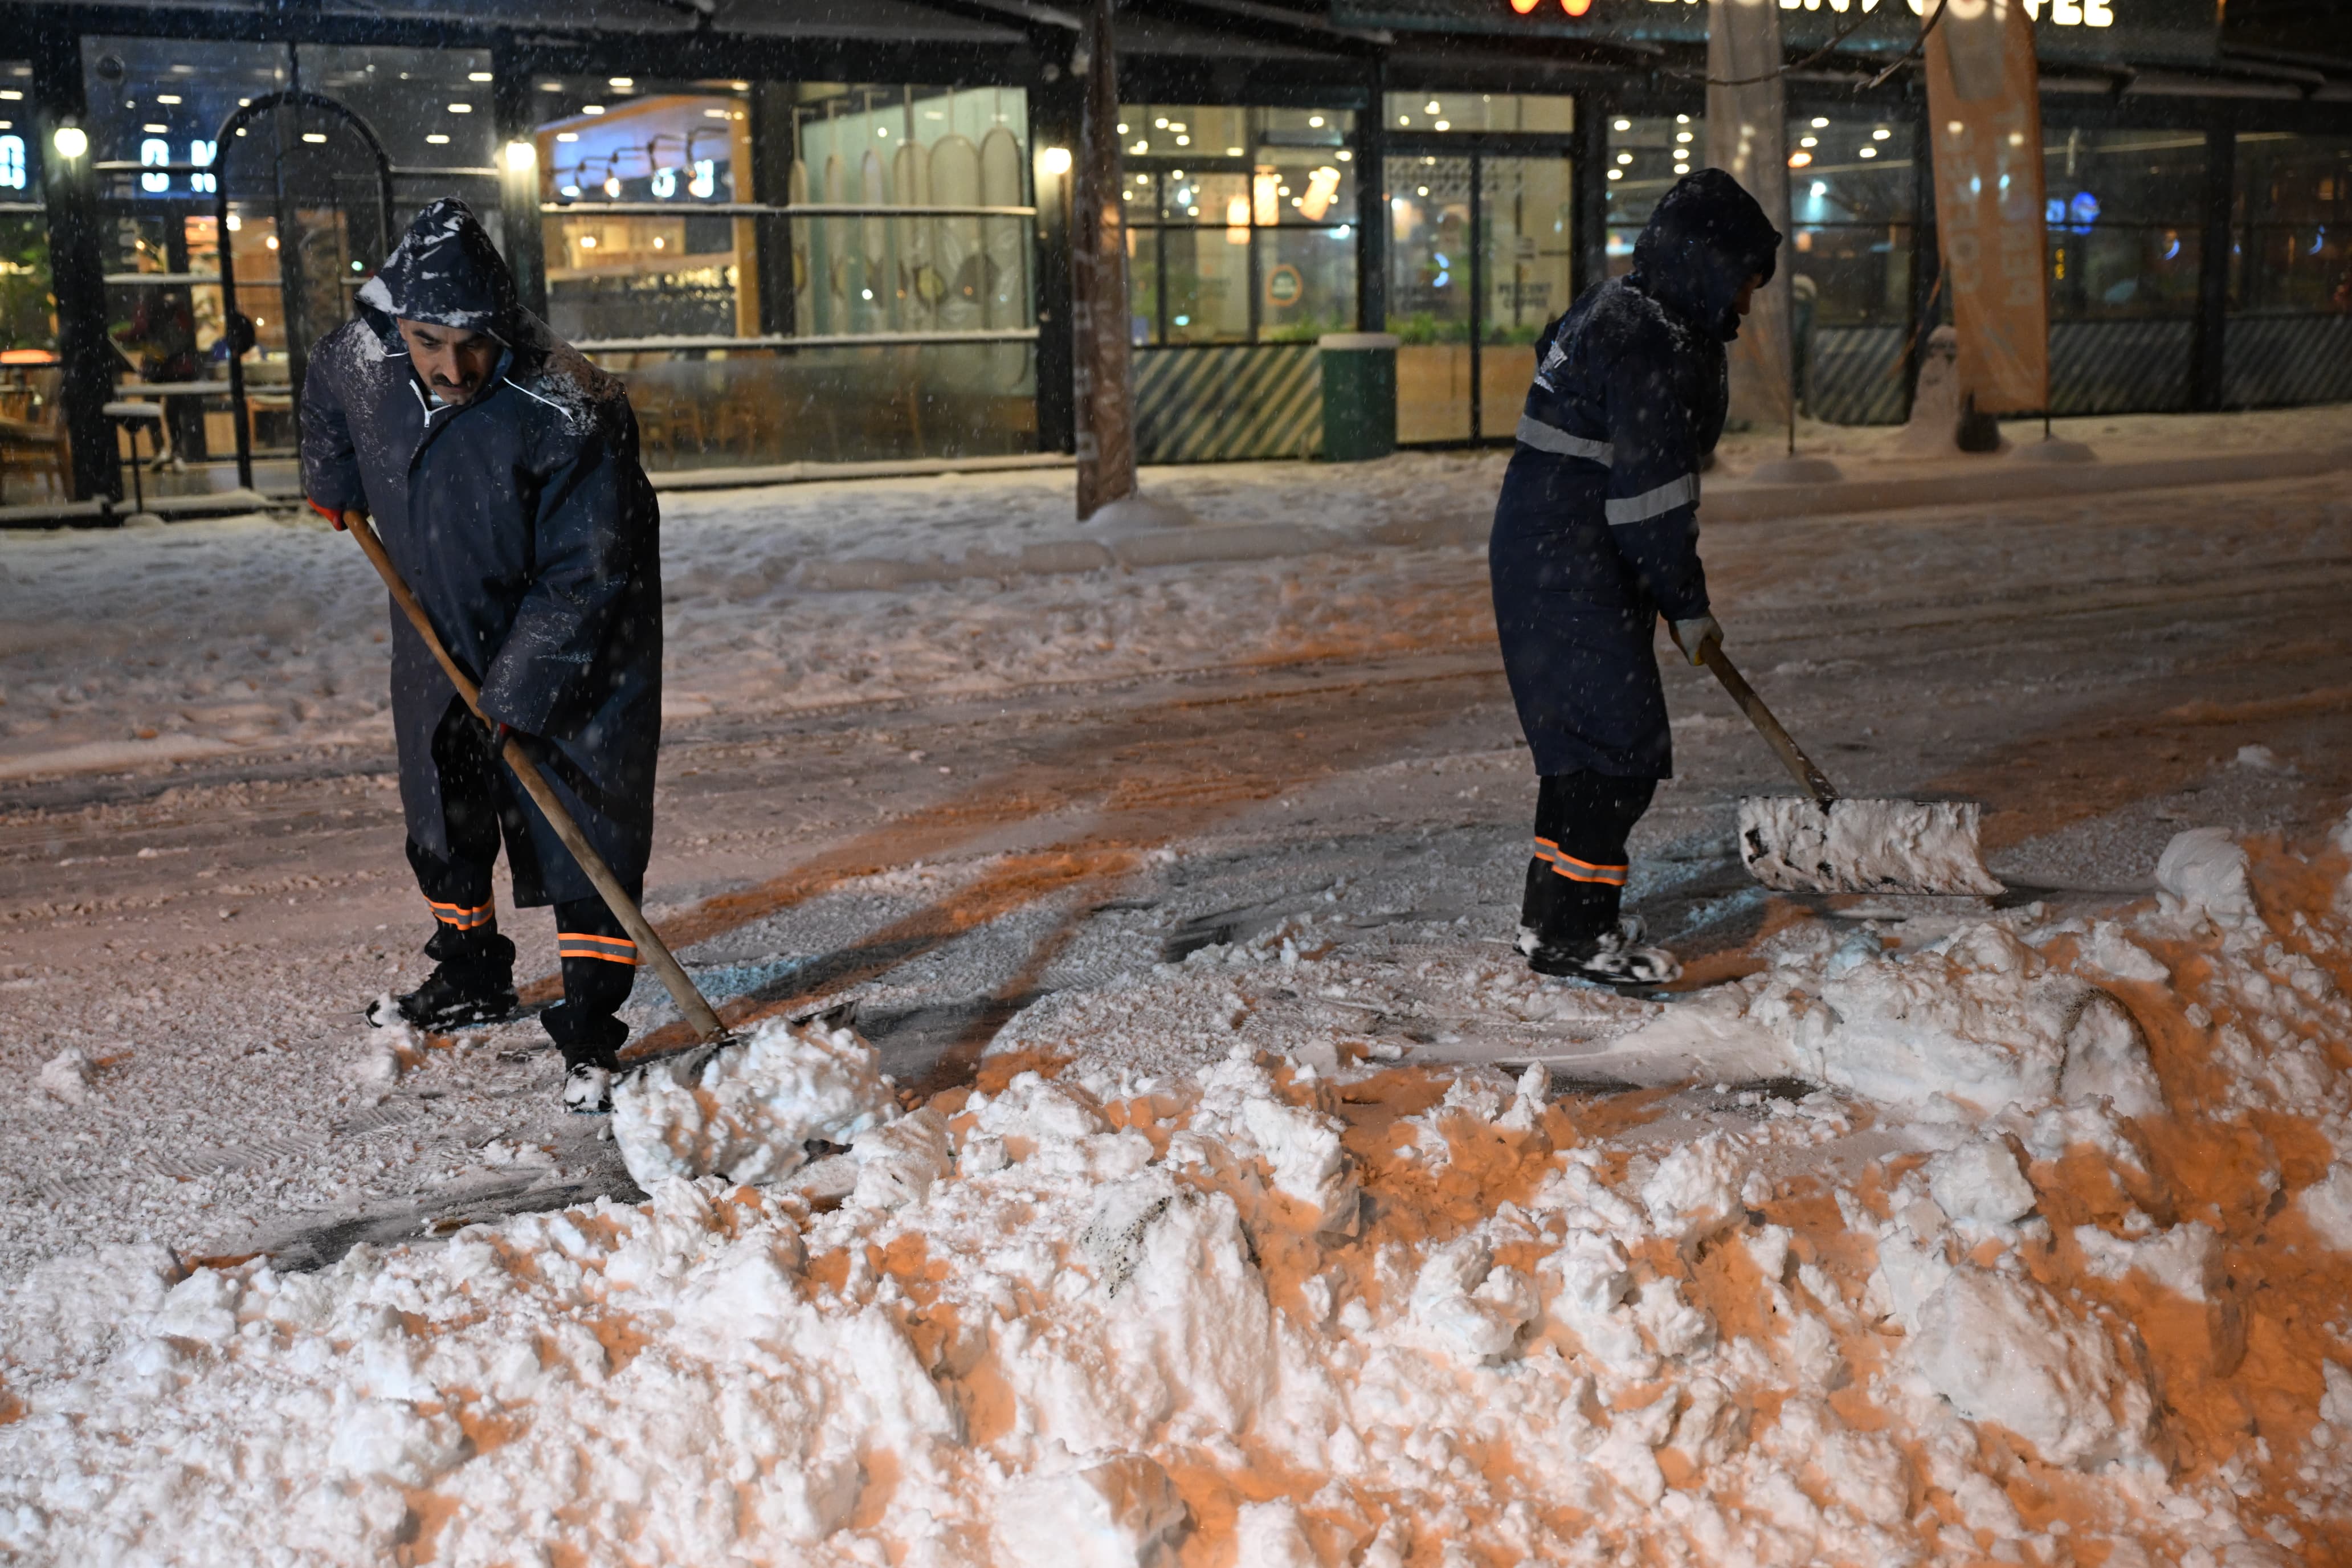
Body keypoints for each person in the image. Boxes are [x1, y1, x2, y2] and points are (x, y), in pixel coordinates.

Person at [300, 198, 663, 1112]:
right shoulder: (362, 357)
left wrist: (517, 687)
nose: (454, 366)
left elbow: (592, 571)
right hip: (438, 628)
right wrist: (332, 480)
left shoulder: (571, 405)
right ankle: (470, 971)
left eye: (474, 343)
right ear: (397, 326)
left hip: (576, 648)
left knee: (582, 826)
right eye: (430, 342)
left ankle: (590, 1031)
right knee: (445, 805)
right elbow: (326, 397)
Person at [1488, 169, 1781, 987]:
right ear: (1706, 266)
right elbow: (1652, 500)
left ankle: (1557, 924)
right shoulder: (1650, 342)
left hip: (1552, 551)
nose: (1746, 307)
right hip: (1571, 563)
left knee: (1586, 753)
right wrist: (1687, 603)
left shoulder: (1616, 306)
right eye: (1743, 284)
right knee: (1616, 753)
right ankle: (1573, 934)